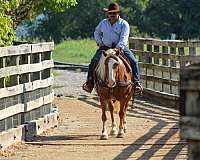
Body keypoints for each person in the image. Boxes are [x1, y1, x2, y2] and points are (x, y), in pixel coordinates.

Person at [82, 2, 143, 94]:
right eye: (110, 13)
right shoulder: (103, 23)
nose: (112, 15)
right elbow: (96, 32)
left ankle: (137, 83)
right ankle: (89, 82)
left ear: (118, 13)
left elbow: (124, 38)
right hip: (105, 48)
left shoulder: (124, 24)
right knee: (94, 61)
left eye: (114, 13)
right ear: (108, 14)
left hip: (120, 48)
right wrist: (100, 42)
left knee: (133, 61)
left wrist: (118, 48)